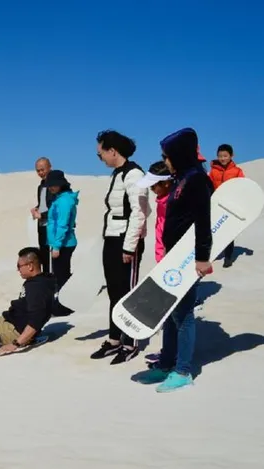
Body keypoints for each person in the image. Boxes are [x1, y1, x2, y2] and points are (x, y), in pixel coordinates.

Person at [134, 127, 213, 392]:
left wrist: (202, 257)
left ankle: (183, 370)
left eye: (167, 156)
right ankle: (166, 363)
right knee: (168, 313)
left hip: (187, 260)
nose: (165, 160)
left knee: (184, 315)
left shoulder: (196, 180)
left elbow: (203, 222)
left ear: (179, 154)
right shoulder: (181, 178)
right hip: (171, 258)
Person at [91, 130, 150, 364]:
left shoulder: (134, 174)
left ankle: (131, 342)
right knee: (114, 292)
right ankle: (115, 339)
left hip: (127, 241)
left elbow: (140, 212)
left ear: (112, 151)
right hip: (112, 238)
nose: (100, 158)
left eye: (100, 154)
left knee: (128, 292)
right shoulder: (118, 174)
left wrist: (129, 247)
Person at [133, 161, 173, 365]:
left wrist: (168, 258)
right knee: (168, 314)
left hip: (172, 262)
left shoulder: (172, 201)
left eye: (154, 185)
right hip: (163, 259)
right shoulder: (162, 199)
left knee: (176, 315)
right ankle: (168, 352)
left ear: (166, 183)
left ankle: (174, 358)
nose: (152, 190)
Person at [209, 143, 246, 267]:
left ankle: (228, 257)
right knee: (215, 230)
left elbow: (242, 187)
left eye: (225, 156)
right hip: (218, 205)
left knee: (228, 232)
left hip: (231, 206)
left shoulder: (237, 171)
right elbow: (209, 187)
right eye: (220, 156)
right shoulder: (213, 171)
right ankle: (211, 254)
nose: (222, 158)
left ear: (232, 156)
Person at [44, 170, 79, 290]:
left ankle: (65, 303)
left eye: (53, 185)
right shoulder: (60, 199)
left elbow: (62, 224)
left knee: (61, 276)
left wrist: (57, 246)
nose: (51, 188)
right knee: (60, 274)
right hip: (59, 243)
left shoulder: (64, 201)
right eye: (49, 185)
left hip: (64, 243)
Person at [30, 157, 56, 274]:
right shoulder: (41, 186)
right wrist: (37, 208)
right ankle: (46, 277)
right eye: (38, 171)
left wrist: (42, 214)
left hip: (52, 224)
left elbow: (55, 206)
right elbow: (43, 204)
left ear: (50, 167)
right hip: (41, 225)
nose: (40, 173)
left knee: (54, 254)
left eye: (42, 169)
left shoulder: (56, 185)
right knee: (44, 253)